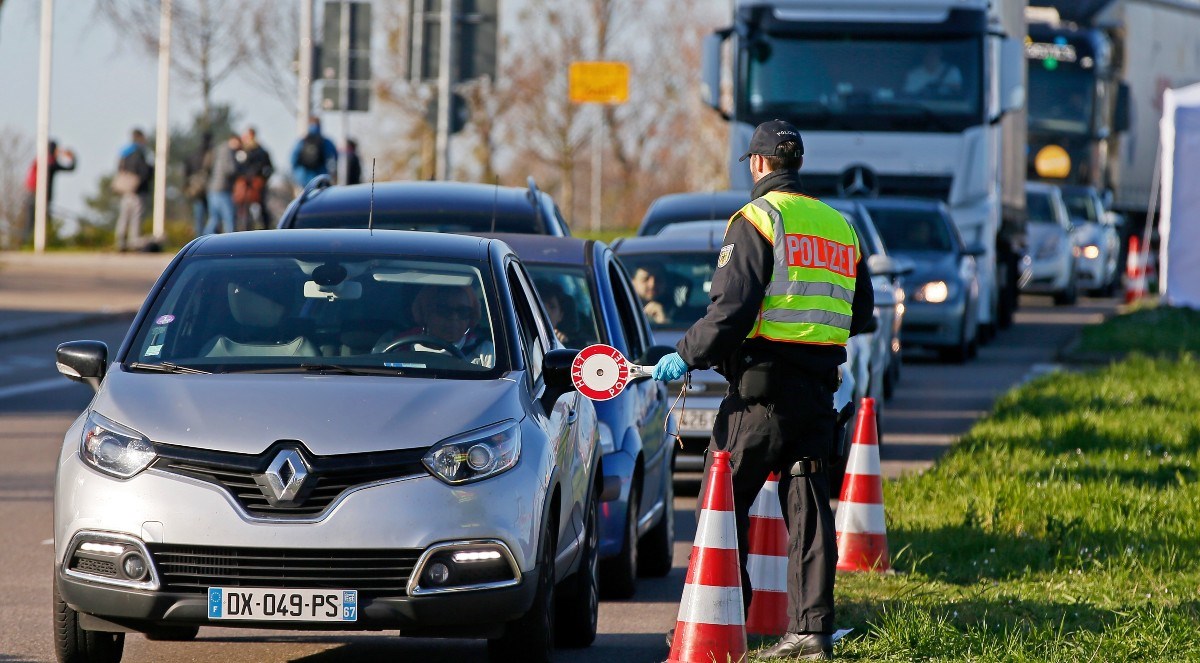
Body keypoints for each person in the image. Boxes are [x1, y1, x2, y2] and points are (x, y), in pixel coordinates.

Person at [652, 119, 875, 660]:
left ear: (757, 164)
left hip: (759, 397)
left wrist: (684, 355)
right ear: (796, 165)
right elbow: (862, 313)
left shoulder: (756, 219)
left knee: (723, 505)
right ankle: (812, 630)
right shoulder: (839, 226)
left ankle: (720, 624)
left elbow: (730, 312)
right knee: (810, 508)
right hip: (817, 396)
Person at [373, 284, 495, 368]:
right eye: (443, 310)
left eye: (463, 311)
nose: (454, 317)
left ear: (471, 317)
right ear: (425, 314)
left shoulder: (484, 352)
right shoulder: (393, 346)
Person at [21, 139, 76, 247]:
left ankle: (30, 245)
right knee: (38, 222)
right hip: (39, 196)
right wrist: (72, 158)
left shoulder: (42, 160)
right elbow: (70, 168)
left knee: (32, 222)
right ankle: (34, 244)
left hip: (33, 194)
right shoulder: (50, 163)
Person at [113, 128, 153, 251]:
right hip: (137, 191)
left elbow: (120, 169)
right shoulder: (139, 153)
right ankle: (134, 242)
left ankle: (120, 242)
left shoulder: (124, 153)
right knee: (136, 217)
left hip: (126, 190)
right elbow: (144, 171)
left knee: (124, 216)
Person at [235, 127, 274, 230]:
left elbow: (269, 168)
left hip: (258, 184)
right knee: (245, 211)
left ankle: (266, 230)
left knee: (262, 209)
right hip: (246, 185)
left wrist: (262, 179)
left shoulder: (261, 151)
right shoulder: (243, 151)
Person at [203, 134, 240, 235]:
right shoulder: (228, 152)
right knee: (229, 218)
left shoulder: (218, 150)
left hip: (212, 189)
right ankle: (231, 242)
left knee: (214, 219)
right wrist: (240, 167)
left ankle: (204, 241)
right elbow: (230, 169)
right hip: (223, 189)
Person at [290, 116, 338, 194]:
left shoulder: (301, 142)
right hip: (321, 178)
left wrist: (297, 176)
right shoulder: (326, 142)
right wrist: (332, 175)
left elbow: (292, 160)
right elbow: (334, 158)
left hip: (304, 178)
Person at [183, 133, 213, 238]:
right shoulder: (211, 155)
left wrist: (188, 187)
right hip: (209, 190)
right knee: (212, 217)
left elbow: (186, 173)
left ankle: (200, 240)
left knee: (199, 218)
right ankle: (207, 239)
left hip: (196, 190)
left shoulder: (193, 155)